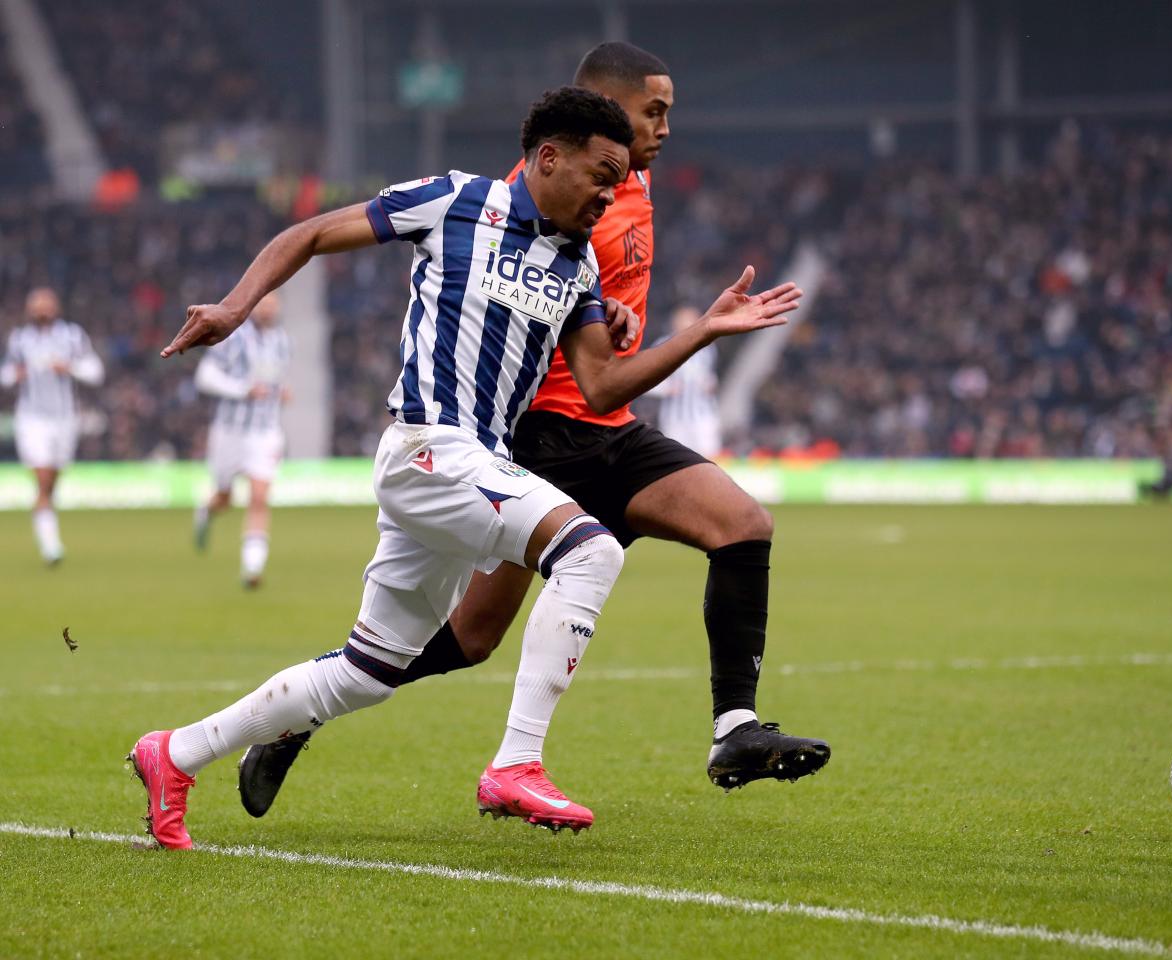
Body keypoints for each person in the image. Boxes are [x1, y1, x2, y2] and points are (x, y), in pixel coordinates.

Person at [128, 85, 802, 848]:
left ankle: (174, 753)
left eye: (618, 185)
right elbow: (311, 233)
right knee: (590, 550)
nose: (608, 196)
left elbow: (603, 386)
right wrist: (234, 306)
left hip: (473, 464)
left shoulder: (577, 262)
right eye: (600, 176)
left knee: (367, 673)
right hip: (428, 447)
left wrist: (703, 331)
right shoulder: (455, 201)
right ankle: (516, 763)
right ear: (549, 158)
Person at [192, 291, 291, 587]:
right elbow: (205, 377)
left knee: (259, 497)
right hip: (230, 431)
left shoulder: (282, 341)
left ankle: (252, 568)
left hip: (266, 431)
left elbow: (274, 380)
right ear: (254, 307)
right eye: (264, 305)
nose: (268, 310)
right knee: (225, 498)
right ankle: (205, 511)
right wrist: (242, 390)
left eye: (273, 306)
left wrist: (281, 393)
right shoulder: (233, 339)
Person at [0, 287, 104, 565]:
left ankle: (46, 527)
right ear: (29, 310)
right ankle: (51, 546)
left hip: (64, 419)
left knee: (51, 483)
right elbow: (5, 373)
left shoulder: (72, 336)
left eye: (45, 305)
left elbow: (95, 371)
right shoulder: (19, 339)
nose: (41, 310)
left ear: (56, 308)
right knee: (43, 477)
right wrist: (15, 374)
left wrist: (69, 368)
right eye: (36, 306)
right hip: (32, 419)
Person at [649, 305, 723, 458]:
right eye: (683, 320)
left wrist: (710, 384)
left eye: (691, 320)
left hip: (703, 415)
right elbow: (645, 380)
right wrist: (666, 388)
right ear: (674, 322)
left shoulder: (707, 347)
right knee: (677, 458)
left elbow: (710, 375)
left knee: (709, 457)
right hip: (674, 417)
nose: (687, 324)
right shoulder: (662, 344)